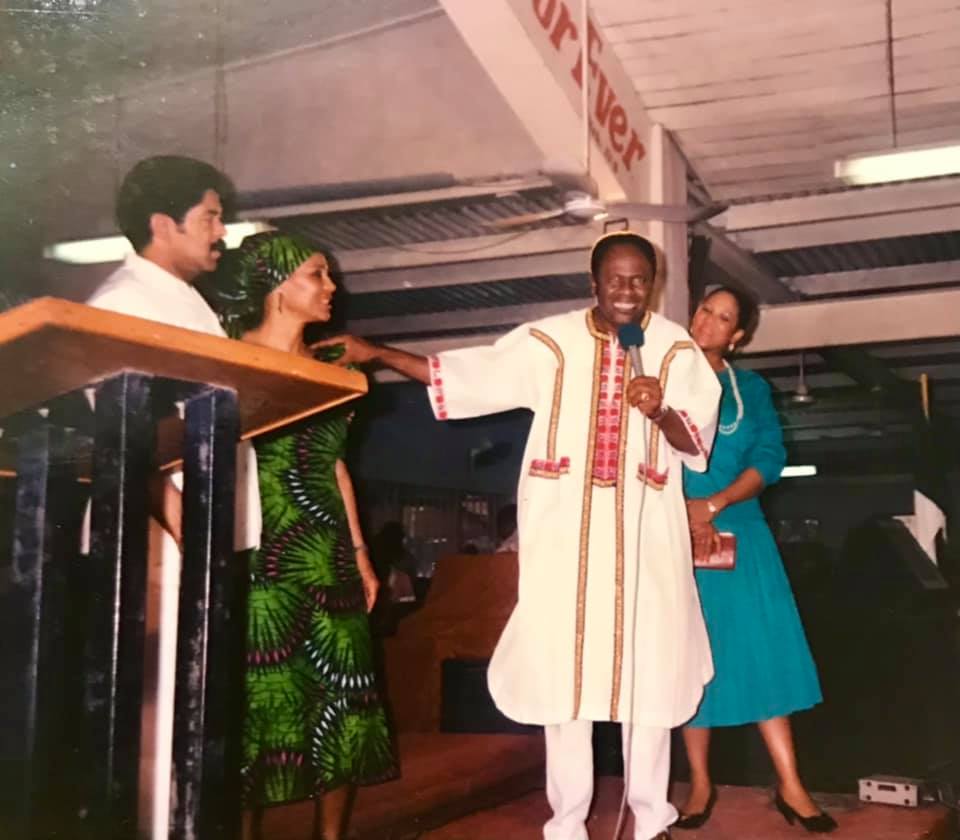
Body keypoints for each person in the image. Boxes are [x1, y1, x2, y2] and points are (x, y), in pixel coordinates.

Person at [314, 231, 721, 840]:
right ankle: (566, 823)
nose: (628, 291)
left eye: (639, 279)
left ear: (653, 283)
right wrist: (379, 354)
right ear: (594, 282)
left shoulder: (675, 349)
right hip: (564, 541)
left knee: (650, 673)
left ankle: (651, 816)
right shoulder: (549, 341)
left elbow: (697, 451)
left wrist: (660, 411)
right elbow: (469, 373)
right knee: (564, 677)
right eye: (616, 279)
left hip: (646, 546)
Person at [86, 155, 262, 840]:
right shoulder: (124, 302)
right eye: (211, 216)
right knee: (157, 720)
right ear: (164, 224)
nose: (222, 230)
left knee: (195, 715)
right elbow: (115, 433)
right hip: (159, 535)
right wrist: (185, 519)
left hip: (203, 534)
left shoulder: (186, 300)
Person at [209, 232, 397, 840]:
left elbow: (335, 463)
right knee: (257, 705)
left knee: (341, 696)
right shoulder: (224, 357)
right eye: (318, 275)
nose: (331, 288)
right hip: (259, 550)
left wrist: (363, 555)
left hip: (329, 554)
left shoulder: (332, 367)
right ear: (277, 287)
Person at [678, 286, 835, 833]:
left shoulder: (750, 389)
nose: (709, 322)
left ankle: (790, 785)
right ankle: (699, 782)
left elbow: (769, 458)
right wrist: (679, 513)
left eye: (724, 318)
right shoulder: (660, 381)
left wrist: (714, 503)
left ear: (737, 336)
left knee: (763, 652)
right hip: (673, 538)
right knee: (689, 663)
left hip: (739, 530)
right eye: (704, 310)